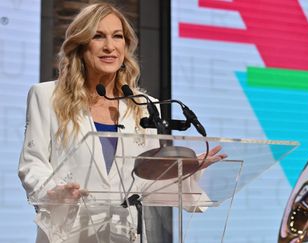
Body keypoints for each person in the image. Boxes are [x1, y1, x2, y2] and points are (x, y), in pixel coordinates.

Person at [18, 3, 225, 243]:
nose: (109, 46)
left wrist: (181, 170)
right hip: (69, 233)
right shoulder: (47, 97)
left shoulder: (145, 105)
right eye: (98, 36)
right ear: (81, 44)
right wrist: (54, 194)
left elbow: (148, 181)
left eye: (117, 37)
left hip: (125, 234)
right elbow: (32, 164)